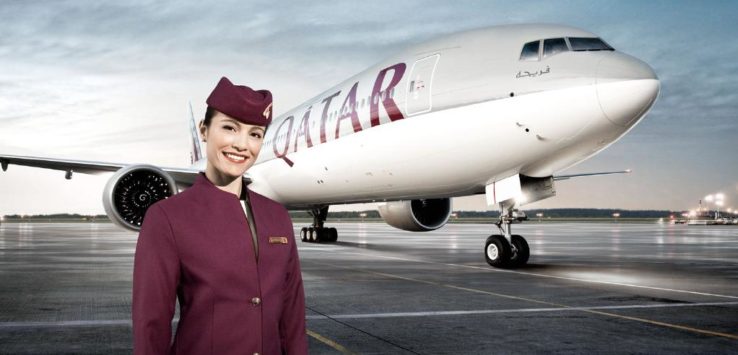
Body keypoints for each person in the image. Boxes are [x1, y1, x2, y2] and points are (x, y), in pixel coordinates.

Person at [132, 77, 308, 355]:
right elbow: (150, 325)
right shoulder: (166, 217)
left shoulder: (277, 216)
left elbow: (292, 316)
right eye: (229, 128)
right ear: (204, 130)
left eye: (255, 134)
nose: (242, 145)